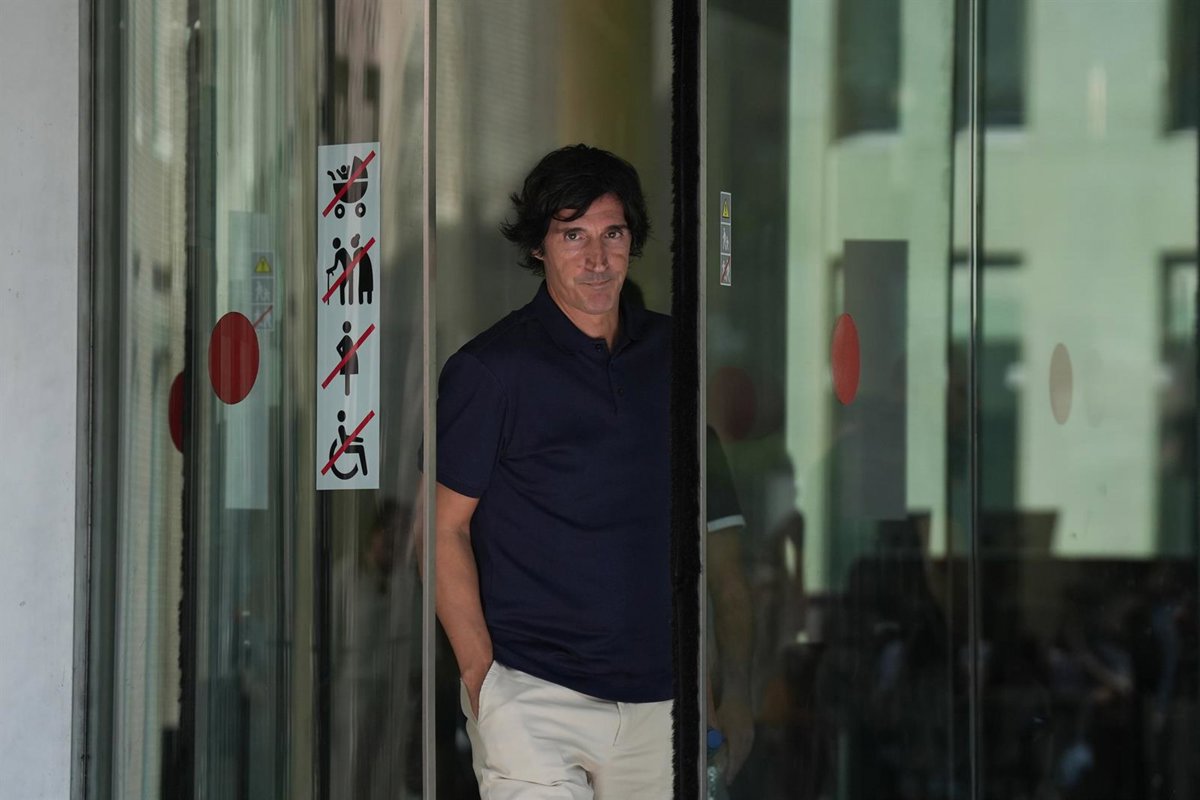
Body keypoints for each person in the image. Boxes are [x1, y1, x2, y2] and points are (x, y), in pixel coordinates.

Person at [434, 144, 670, 798]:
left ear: (632, 240)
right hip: (534, 694)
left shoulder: (673, 355)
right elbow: (443, 530)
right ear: (539, 246)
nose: (596, 259)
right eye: (573, 235)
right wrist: (484, 682)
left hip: (660, 699)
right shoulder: (490, 370)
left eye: (612, 234)